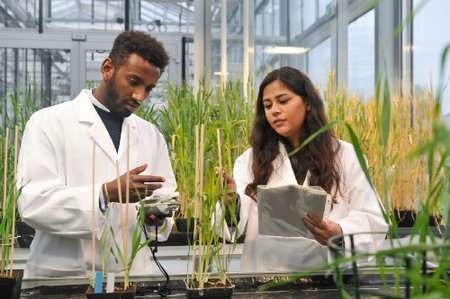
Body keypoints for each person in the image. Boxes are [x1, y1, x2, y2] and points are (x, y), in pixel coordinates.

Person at [17, 31, 177, 278]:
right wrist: (105, 193)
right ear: (107, 69)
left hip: (130, 275)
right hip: (65, 275)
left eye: (148, 89)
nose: (140, 96)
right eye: (133, 81)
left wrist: (156, 215)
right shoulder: (48, 123)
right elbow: (33, 204)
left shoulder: (150, 135)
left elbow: (165, 198)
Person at [220, 66, 388, 272]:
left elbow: (372, 219)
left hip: (327, 278)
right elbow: (236, 222)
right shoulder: (251, 159)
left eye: (283, 101)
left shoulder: (345, 155)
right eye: (267, 105)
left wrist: (339, 232)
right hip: (267, 276)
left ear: (307, 102)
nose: (274, 110)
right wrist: (232, 202)